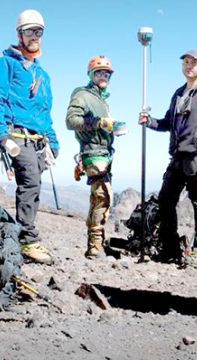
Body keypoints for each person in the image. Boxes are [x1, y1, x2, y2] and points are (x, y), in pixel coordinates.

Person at [0, 9, 59, 265]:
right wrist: (1, 135)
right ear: (19, 34)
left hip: (39, 141)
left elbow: (45, 112)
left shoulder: (43, 75)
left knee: (34, 187)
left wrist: (54, 142)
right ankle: (28, 239)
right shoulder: (4, 64)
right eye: (29, 31)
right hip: (17, 135)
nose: (34, 36)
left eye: (39, 31)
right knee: (30, 184)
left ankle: (22, 236)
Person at [138, 49, 197, 265]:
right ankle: (170, 249)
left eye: (194, 62)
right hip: (177, 158)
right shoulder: (178, 94)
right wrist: (149, 122)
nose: (189, 66)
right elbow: (167, 123)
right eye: (186, 62)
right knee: (166, 202)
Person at [66, 56, 122, 259]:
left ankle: (96, 243)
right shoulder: (82, 94)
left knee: (98, 198)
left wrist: (111, 127)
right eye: (99, 72)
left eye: (106, 73)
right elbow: (71, 121)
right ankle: (95, 246)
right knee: (103, 197)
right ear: (91, 74)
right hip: (93, 153)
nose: (103, 76)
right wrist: (98, 123)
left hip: (103, 152)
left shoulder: (100, 99)